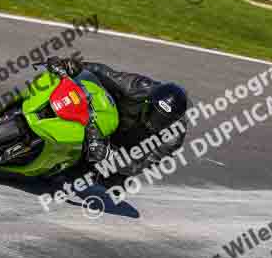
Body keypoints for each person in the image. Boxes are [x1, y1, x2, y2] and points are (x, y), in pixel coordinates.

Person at [46, 56, 190, 178]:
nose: (153, 121)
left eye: (161, 120)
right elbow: (106, 73)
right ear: (148, 102)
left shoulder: (173, 137)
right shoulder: (140, 87)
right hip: (105, 116)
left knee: (109, 179)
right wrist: (72, 65)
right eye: (153, 113)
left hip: (123, 149)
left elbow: (142, 165)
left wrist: (110, 157)